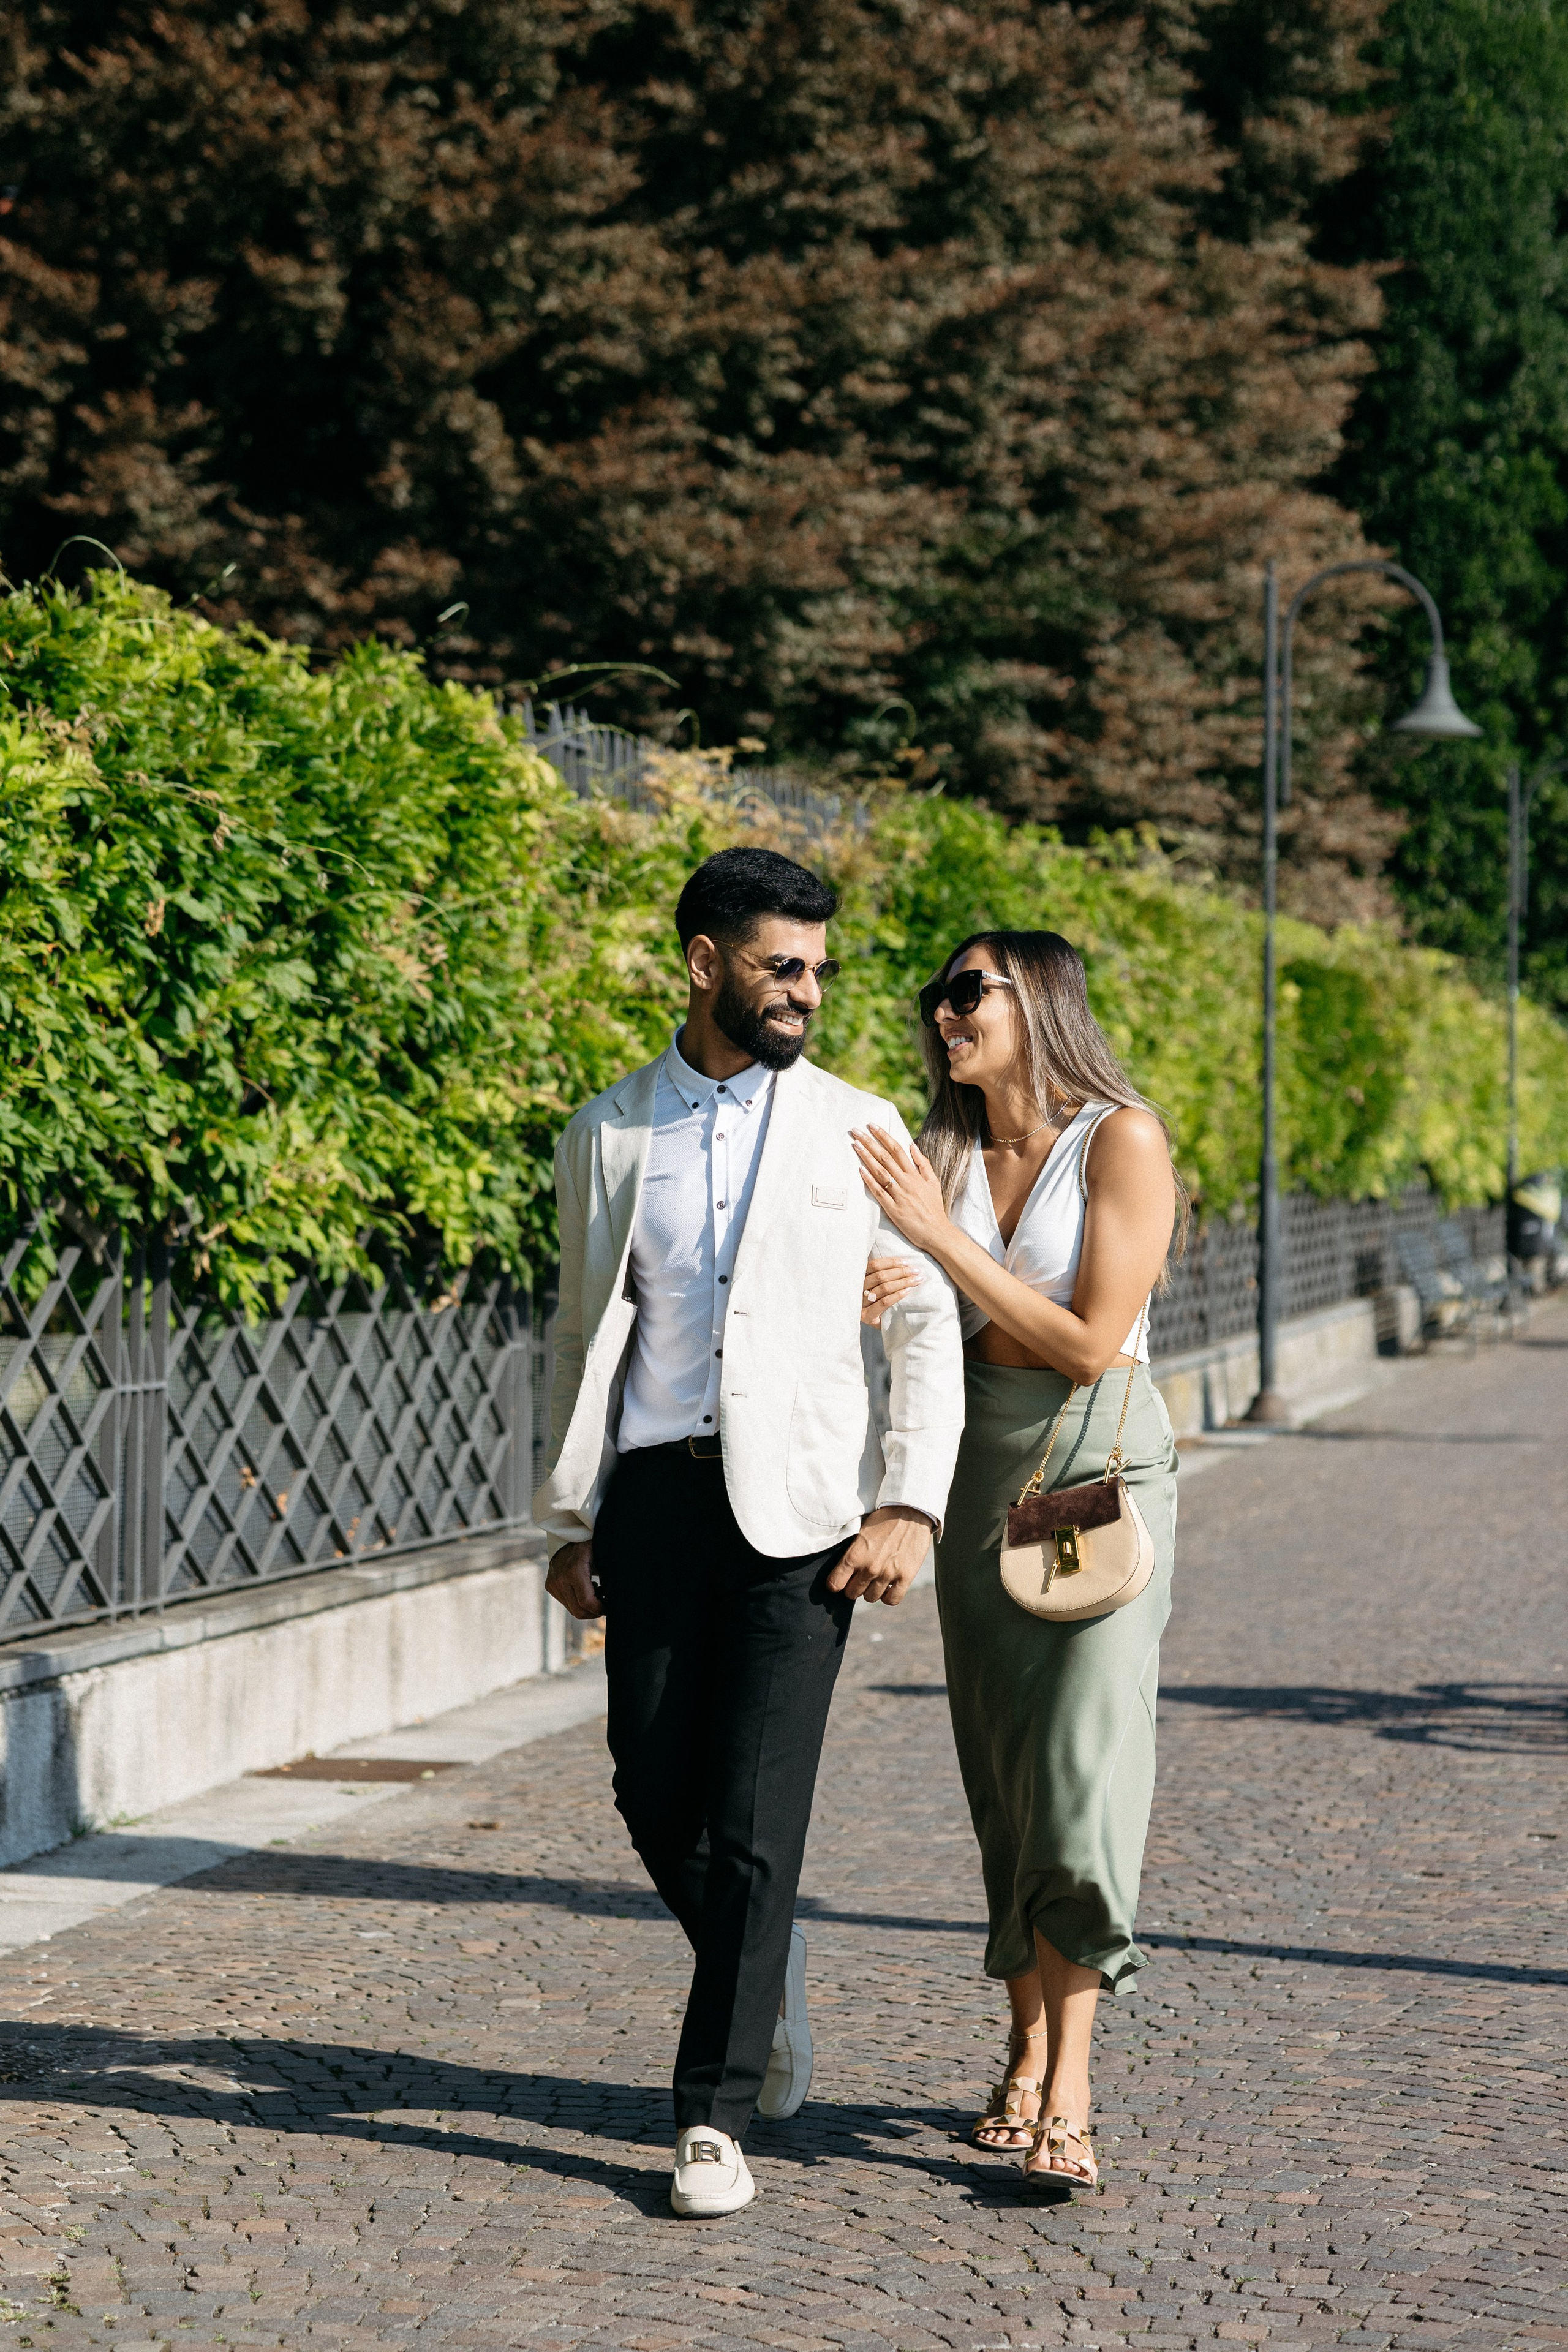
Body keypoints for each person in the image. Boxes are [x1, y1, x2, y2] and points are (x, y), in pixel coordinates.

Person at [535, 846, 965, 2219]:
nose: (806, 993)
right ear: (703, 962)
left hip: (801, 1516)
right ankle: (758, 1963)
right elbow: (576, 1337)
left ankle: (710, 2118)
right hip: (656, 1501)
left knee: (754, 1815)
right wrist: (563, 1515)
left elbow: (921, 1320)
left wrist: (908, 1497)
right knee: (647, 1789)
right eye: (783, 967)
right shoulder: (609, 1131)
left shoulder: (860, 1123)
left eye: (819, 971)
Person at [851, 929, 1179, 2194]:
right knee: (1002, 1773)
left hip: (1092, 1469)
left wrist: (937, 1239)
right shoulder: (937, 1156)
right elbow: (921, 1310)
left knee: (1080, 1768)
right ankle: (1023, 2045)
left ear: (1037, 998)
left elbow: (1091, 1340)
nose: (944, 1014)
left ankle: (1074, 2084)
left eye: (969, 990)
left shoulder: (1119, 1138)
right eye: (936, 996)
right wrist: (882, 1285)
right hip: (976, 1473)